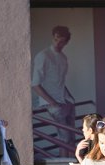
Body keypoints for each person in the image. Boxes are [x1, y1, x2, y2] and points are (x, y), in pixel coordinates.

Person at [32, 25, 76, 157]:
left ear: (66, 42)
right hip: (53, 102)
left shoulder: (63, 58)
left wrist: (69, 98)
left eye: (61, 41)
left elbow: (60, 81)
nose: (58, 43)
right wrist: (52, 103)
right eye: (56, 39)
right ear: (53, 38)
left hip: (66, 100)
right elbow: (35, 84)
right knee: (64, 137)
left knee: (72, 137)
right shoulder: (43, 56)